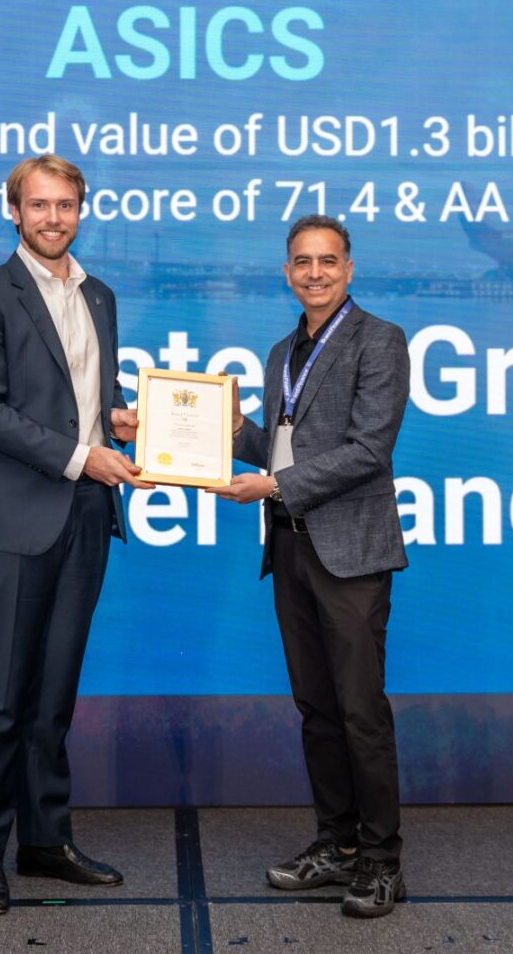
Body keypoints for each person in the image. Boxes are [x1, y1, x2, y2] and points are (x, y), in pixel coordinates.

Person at [0, 154, 143, 915]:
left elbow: (87, 398)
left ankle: (46, 841)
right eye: (39, 205)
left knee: (55, 693)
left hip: (87, 515)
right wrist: (80, 455)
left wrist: (120, 421)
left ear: (80, 210)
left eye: (65, 205)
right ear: (15, 212)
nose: (53, 218)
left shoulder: (99, 295)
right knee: (2, 697)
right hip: (15, 520)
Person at [211, 214, 410, 919]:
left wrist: (273, 484)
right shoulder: (280, 352)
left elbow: (369, 450)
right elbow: (282, 446)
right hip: (291, 547)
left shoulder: (379, 340)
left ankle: (382, 862)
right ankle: (337, 844)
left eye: (328, 261)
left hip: (350, 552)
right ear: (287, 272)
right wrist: (231, 430)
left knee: (360, 712)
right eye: (303, 262)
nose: (315, 272)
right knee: (317, 710)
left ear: (349, 269)